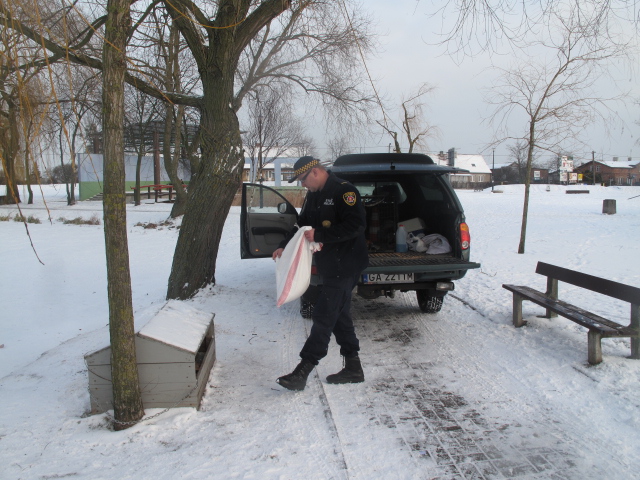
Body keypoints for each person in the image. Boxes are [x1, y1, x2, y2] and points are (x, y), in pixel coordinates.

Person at [272, 156, 369, 391]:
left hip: (346, 264)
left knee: (324, 315)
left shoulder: (344, 192)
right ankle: (353, 367)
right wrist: (285, 244)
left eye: (303, 180)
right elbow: (301, 224)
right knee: (340, 315)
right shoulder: (314, 194)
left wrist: (321, 235)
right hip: (329, 264)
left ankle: (303, 369)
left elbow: (356, 225)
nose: (302, 185)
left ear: (315, 172)